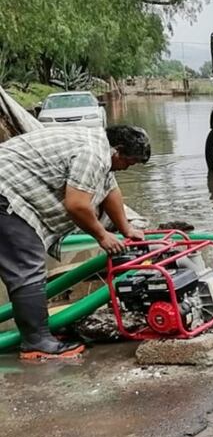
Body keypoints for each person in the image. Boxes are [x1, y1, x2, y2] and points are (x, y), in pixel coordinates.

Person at [0, 125, 151, 360]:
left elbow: (110, 190)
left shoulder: (102, 150)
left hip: (10, 189)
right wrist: (102, 236)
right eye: (129, 162)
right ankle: (36, 342)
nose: (128, 167)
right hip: (5, 193)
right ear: (118, 151)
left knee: (26, 264)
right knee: (28, 266)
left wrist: (127, 229)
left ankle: (39, 334)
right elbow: (77, 205)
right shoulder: (92, 154)